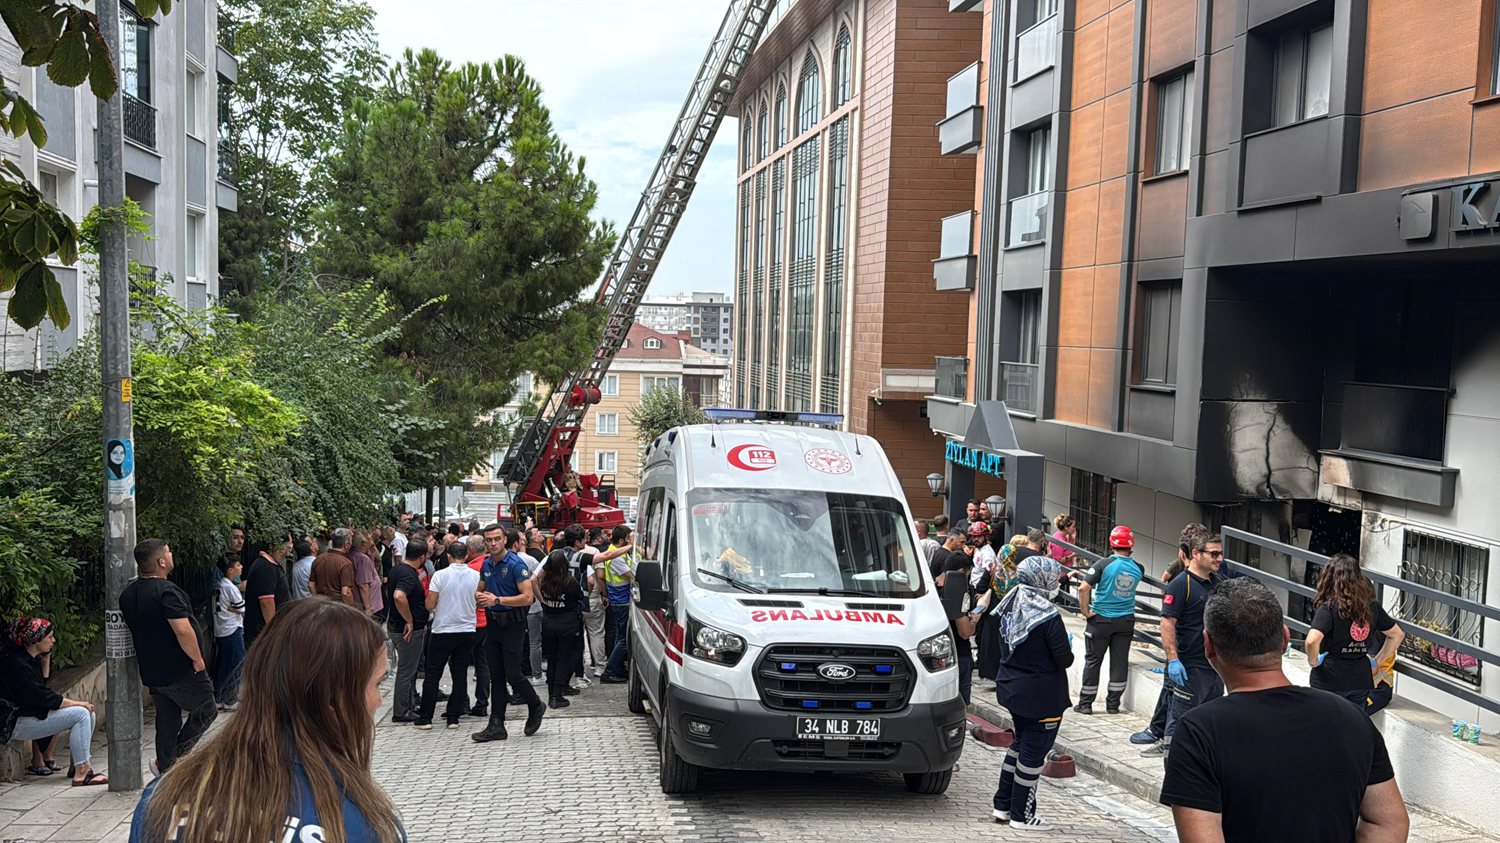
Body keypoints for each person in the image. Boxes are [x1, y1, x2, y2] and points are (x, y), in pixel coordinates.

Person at [129, 599, 406, 843]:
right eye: (376, 684)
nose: (378, 701)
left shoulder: (166, 795)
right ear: (333, 698)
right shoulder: (362, 824)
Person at [1160, 578, 1409, 843]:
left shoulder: (1198, 732)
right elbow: (1390, 822)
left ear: (1208, 645)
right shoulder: (1352, 718)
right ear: (1285, 639)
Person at [989, 556, 1072, 831]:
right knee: (1032, 756)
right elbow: (1064, 658)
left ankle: (1002, 806)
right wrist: (1068, 645)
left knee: (1019, 745)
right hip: (1041, 696)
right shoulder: (1046, 615)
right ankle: (1022, 816)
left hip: (1013, 688)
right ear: (1044, 580)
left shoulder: (1011, 602)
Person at [120, 539, 217, 773]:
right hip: (180, 669)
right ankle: (175, 760)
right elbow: (182, 629)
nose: (172, 555)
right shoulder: (167, 592)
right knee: (206, 710)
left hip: (152, 671)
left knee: (167, 720)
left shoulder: (128, 594)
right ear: (162, 562)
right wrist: (197, 659)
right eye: (169, 552)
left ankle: (165, 766)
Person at [1147, 530, 1229, 759]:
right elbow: (1167, 622)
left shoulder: (1219, 582)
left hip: (1215, 667)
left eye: (1220, 554)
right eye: (1213, 554)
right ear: (1196, 553)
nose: (1219, 559)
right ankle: (1173, 767)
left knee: (1211, 720)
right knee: (1181, 721)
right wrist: (1173, 660)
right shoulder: (1181, 584)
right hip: (1190, 667)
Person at [0, 617, 107, 786]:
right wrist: (77, 703)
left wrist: (46, 661)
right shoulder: (17, 664)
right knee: (81, 713)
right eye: (49, 637)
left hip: (25, 716)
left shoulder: (27, 659)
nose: (53, 640)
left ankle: (77, 766)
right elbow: (41, 697)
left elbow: (41, 687)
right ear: (35, 640)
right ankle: (82, 772)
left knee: (88, 713)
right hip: (14, 722)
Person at [1131, 523, 1208, 747]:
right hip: (1184, 648)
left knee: (1183, 699)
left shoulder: (1213, 575)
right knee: (1170, 689)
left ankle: (1169, 739)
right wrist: (1173, 658)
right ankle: (1160, 733)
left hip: (1199, 652)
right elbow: (1167, 621)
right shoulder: (1182, 579)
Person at [1305, 553, 1406, 715]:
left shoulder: (1329, 608)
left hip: (1329, 679)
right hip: (1360, 680)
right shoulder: (1372, 607)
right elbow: (1397, 635)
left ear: (1329, 578)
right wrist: (1376, 662)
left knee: (1325, 726)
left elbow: (1311, 641)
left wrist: (1314, 661)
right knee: (1353, 725)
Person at [472, 526, 546, 742]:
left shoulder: (515, 564)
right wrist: (479, 597)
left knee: (513, 674)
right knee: (496, 674)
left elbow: (527, 597)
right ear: (484, 542)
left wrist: (497, 600)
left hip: (513, 623)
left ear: (505, 540)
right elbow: (481, 588)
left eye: (497, 539)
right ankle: (496, 724)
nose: (493, 543)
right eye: (489, 540)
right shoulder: (487, 563)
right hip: (493, 623)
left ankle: (535, 704)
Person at [1074, 525, 1144, 715]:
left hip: (1101, 619)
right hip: (1126, 620)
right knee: (1119, 662)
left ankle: (1086, 704)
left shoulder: (1102, 564)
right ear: (1131, 545)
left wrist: (1085, 611)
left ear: (1112, 543)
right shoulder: (1139, 568)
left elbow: (1083, 588)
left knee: (1093, 661)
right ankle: (1113, 705)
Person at [414, 539, 481, 730]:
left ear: (449, 556)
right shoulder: (476, 576)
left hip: (443, 629)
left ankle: (426, 718)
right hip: (467, 629)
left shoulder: (440, 575)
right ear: (466, 556)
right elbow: (479, 601)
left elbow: (430, 604)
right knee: (460, 674)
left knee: (433, 674)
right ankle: (453, 717)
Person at [536, 549, 586, 708]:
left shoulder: (544, 581)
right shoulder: (570, 582)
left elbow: (534, 583)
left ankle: (551, 692)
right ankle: (557, 695)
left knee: (552, 660)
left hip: (548, 622)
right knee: (563, 659)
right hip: (567, 624)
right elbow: (580, 596)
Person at [386, 537, 429, 723]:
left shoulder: (397, 569)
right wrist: (409, 620)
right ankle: (401, 710)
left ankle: (409, 704)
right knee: (406, 670)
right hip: (407, 630)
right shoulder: (408, 575)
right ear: (422, 557)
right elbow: (399, 596)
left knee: (409, 670)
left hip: (397, 625)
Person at [937, 554, 987, 705]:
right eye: (967, 575)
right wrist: (975, 619)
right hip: (959, 654)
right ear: (960, 572)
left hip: (936, 654)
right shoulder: (956, 592)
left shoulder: (930, 586)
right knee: (960, 704)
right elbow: (965, 632)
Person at [599, 525, 637, 684]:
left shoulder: (617, 552)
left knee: (620, 637)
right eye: (629, 537)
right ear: (622, 540)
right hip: (621, 600)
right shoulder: (616, 557)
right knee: (623, 639)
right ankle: (610, 671)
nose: (630, 540)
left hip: (620, 599)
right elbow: (632, 576)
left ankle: (618, 667)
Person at [243, 533, 292, 651]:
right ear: (281, 546)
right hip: (263, 634)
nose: (291, 546)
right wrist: (273, 630)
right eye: (290, 543)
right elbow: (266, 602)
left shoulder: (269, 565)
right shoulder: (265, 567)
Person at [463, 536, 492, 716]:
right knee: (483, 663)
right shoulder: (493, 565)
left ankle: (462, 702)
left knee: (459, 662)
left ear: (470, 551)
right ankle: (482, 703)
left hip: (471, 621)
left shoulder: (469, 570)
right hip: (489, 621)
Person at [213, 555, 246, 711]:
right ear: (231, 570)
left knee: (225, 664)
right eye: (238, 565)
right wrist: (238, 609)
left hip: (221, 628)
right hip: (232, 628)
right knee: (237, 664)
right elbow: (242, 608)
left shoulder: (219, 584)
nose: (241, 567)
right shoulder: (231, 588)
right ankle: (230, 699)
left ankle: (219, 698)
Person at [580, 526, 609, 678]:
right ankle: (600, 667)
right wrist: (605, 595)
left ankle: (579, 669)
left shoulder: (564, 553)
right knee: (596, 633)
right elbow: (600, 576)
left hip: (573, 601)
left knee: (577, 636)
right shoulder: (593, 552)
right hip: (592, 598)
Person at [522, 528, 547, 685]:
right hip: (533, 607)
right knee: (534, 642)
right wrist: (541, 598)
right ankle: (537, 674)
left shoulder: (507, 560)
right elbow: (537, 581)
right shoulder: (532, 560)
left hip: (517, 607)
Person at [310, 528, 358, 605]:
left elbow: (311, 585)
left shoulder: (319, 559)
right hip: (337, 606)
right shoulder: (345, 563)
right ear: (346, 544)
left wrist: (316, 598)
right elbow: (346, 592)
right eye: (351, 541)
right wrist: (350, 608)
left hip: (320, 604)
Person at [351, 532, 384, 618]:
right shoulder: (362, 559)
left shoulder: (360, 556)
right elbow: (363, 585)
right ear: (364, 543)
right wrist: (368, 609)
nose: (372, 542)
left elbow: (370, 573)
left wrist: (371, 557)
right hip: (367, 607)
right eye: (370, 539)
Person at [290, 535, 316, 601]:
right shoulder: (315, 563)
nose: (315, 542)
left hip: (298, 603)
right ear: (312, 548)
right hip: (312, 602)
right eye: (312, 542)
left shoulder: (296, 566)